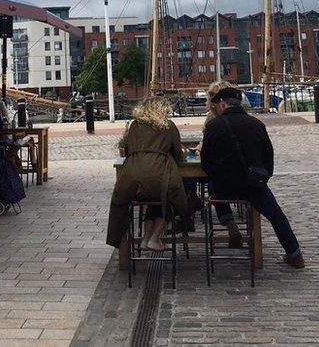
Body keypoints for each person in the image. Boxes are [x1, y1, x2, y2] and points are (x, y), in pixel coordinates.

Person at [200, 86, 305, 268]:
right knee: (276, 216)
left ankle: (230, 225)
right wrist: (262, 179)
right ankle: (294, 254)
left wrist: (217, 176)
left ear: (223, 104)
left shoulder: (213, 127)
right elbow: (268, 159)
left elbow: (206, 162)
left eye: (217, 105)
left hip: (224, 188)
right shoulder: (257, 125)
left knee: (213, 186)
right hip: (253, 186)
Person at [106, 97, 187, 252]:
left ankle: (145, 239)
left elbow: (127, 148)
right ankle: (155, 238)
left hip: (131, 181)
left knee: (153, 198)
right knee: (172, 197)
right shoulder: (168, 126)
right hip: (158, 176)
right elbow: (177, 153)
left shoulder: (135, 126)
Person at [195, 80, 244, 247]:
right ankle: (190, 201)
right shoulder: (210, 117)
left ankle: (230, 224)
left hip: (231, 173)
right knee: (192, 180)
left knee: (214, 183)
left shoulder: (226, 119)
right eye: (209, 94)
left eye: (212, 95)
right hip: (237, 174)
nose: (210, 98)